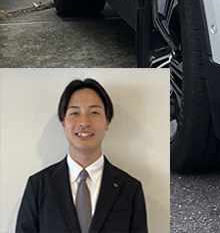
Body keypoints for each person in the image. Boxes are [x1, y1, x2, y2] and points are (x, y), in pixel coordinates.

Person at [16, 79, 148, 233]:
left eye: (94, 113)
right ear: (63, 123)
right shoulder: (38, 186)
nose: (84, 122)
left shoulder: (130, 188)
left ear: (107, 122)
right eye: (75, 113)